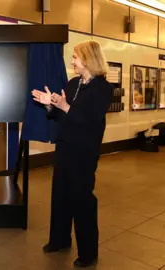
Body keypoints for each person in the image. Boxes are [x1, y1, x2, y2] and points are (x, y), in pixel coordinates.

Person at [31, 40, 113, 268]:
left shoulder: (103, 89)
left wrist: (66, 107)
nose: (72, 61)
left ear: (87, 59)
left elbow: (90, 120)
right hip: (65, 146)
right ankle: (59, 239)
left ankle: (88, 252)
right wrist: (50, 105)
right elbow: (60, 116)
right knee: (60, 194)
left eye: (75, 57)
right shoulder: (73, 83)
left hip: (84, 151)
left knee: (82, 198)